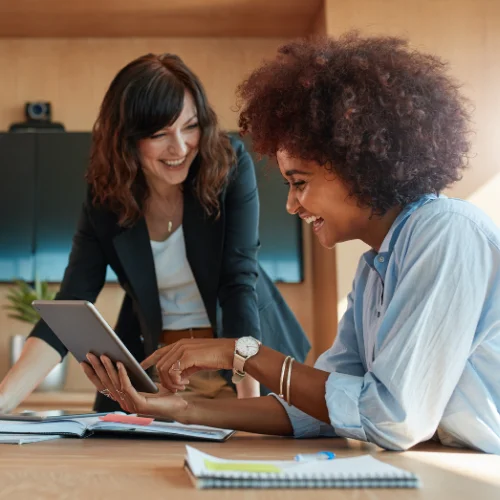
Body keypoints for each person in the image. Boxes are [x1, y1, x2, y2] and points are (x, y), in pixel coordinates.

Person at [79, 33, 500, 454]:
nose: (291, 204)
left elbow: (390, 416)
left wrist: (242, 353)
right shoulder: (375, 269)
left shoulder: (446, 232)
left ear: (358, 166)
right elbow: (319, 409)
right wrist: (181, 409)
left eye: (299, 183)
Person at [0, 53, 310, 413]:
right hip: (160, 371)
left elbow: (238, 282)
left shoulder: (228, 164)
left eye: (190, 126)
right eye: (160, 134)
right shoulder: (107, 195)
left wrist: (251, 407)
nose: (179, 148)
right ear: (127, 139)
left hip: (243, 362)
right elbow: (70, 304)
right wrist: (3, 401)